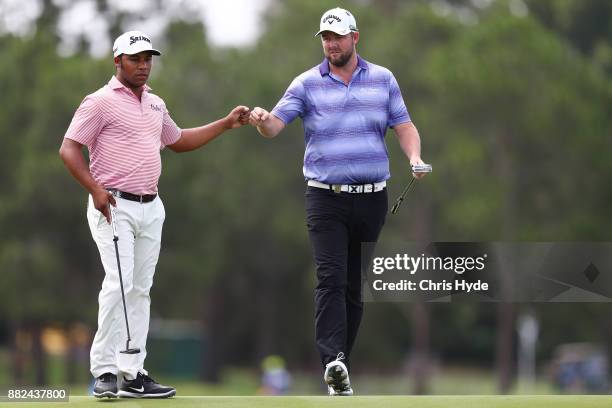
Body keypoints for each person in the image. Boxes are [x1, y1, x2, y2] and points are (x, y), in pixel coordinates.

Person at [59, 30, 249, 399]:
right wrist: (95, 189)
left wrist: (225, 123)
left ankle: (131, 372)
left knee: (140, 290)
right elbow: (69, 149)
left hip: (151, 207)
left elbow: (178, 141)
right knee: (119, 284)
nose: (144, 65)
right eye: (136, 59)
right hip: (112, 204)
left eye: (148, 59)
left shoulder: (156, 104)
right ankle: (103, 371)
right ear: (118, 62)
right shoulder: (98, 102)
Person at [249, 7, 428, 396]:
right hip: (324, 198)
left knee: (353, 286)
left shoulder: (383, 80)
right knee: (330, 277)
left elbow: (404, 126)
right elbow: (275, 126)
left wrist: (413, 158)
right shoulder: (306, 84)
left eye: (337, 37)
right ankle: (333, 361)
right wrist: (262, 119)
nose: (330, 44)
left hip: (372, 199)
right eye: (325, 38)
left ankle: (339, 368)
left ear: (355, 38)